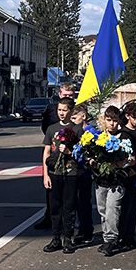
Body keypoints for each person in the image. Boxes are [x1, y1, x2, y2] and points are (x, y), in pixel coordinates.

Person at [42, 97, 81, 254]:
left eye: (65, 110)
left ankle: (68, 239)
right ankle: (56, 238)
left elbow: (82, 153)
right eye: (59, 110)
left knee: (69, 207)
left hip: (71, 172)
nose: (61, 113)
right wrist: (45, 175)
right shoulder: (52, 129)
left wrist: (69, 152)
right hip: (54, 173)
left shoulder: (77, 129)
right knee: (55, 208)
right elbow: (46, 152)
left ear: (71, 111)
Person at [94, 105, 133, 257]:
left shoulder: (124, 137)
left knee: (112, 208)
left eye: (115, 121)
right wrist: (93, 160)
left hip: (117, 180)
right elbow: (92, 155)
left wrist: (120, 163)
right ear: (104, 120)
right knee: (102, 209)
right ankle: (106, 238)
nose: (112, 124)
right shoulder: (99, 137)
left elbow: (132, 159)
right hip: (101, 178)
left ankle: (112, 239)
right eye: (109, 120)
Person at [118, 102, 136, 250]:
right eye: (134, 117)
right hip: (128, 174)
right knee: (126, 208)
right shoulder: (124, 134)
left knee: (135, 207)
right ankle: (123, 236)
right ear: (127, 116)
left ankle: (130, 236)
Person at [70, 106, 95, 243]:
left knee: (84, 202)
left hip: (85, 171)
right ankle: (79, 228)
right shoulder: (73, 130)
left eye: (75, 117)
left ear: (84, 116)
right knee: (75, 202)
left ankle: (86, 230)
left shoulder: (90, 131)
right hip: (74, 171)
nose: (73, 121)